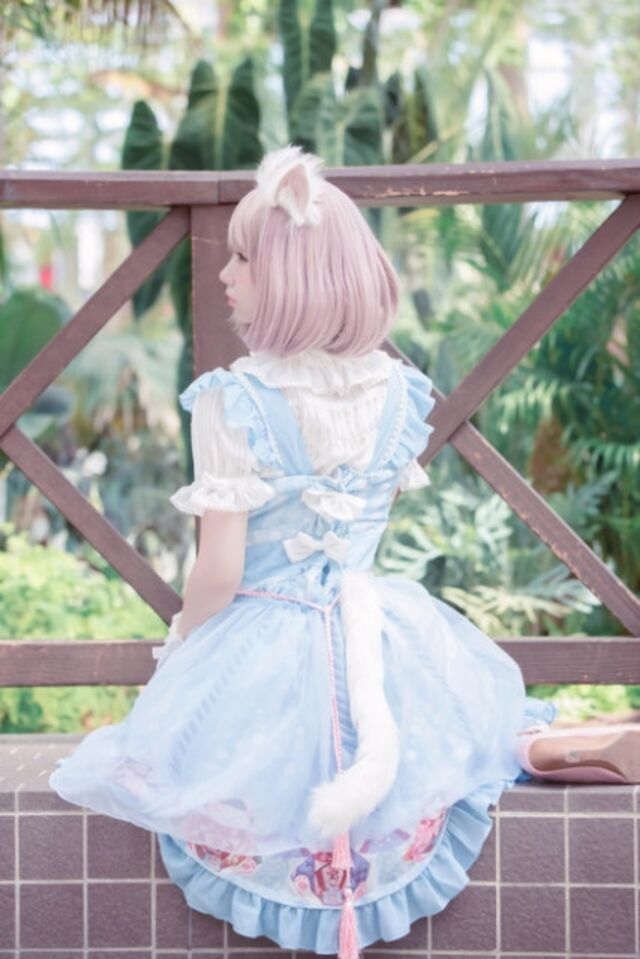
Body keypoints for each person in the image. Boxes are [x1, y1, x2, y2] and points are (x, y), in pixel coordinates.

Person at [49, 144, 640, 959]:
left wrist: (183, 644)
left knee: (187, 762)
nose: (225, 275)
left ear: (291, 279)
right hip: (378, 629)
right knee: (453, 736)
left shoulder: (235, 399)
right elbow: (374, 514)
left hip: (265, 635)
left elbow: (220, 570)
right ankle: (549, 747)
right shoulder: (397, 391)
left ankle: (330, 867)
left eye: (244, 260)